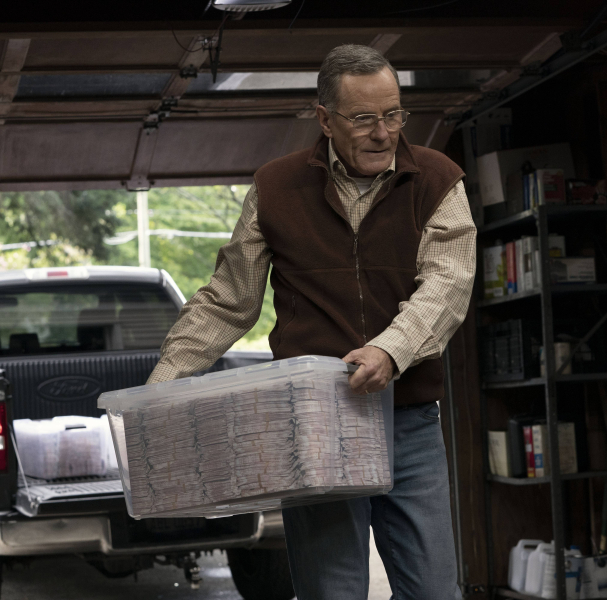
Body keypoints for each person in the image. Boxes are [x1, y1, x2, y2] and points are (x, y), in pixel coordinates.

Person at [147, 44, 476, 600]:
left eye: (393, 114)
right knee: (331, 591)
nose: (383, 133)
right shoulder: (275, 188)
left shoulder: (438, 180)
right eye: (364, 118)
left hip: (409, 421)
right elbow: (229, 300)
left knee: (434, 591)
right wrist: (161, 389)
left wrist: (390, 350)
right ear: (325, 119)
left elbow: (448, 284)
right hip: (315, 424)